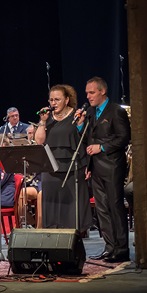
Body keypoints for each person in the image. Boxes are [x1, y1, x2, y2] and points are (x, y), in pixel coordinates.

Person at [76, 76, 131, 263]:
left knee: (115, 206)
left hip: (112, 165)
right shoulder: (90, 112)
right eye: (87, 93)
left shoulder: (116, 111)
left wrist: (102, 147)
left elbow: (124, 138)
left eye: (92, 92)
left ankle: (122, 248)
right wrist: (81, 125)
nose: (88, 96)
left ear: (102, 91)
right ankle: (110, 247)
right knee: (101, 210)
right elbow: (87, 140)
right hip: (96, 167)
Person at [34, 84, 90, 233]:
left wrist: (80, 124)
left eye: (57, 99)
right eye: (51, 100)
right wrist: (43, 121)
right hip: (50, 167)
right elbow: (39, 141)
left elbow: (84, 139)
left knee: (71, 208)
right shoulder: (48, 118)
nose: (53, 103)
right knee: (51, 207)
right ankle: (53, 239)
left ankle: (72, 240)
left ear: (66, 100)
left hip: (71, 167)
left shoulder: (76, 115)